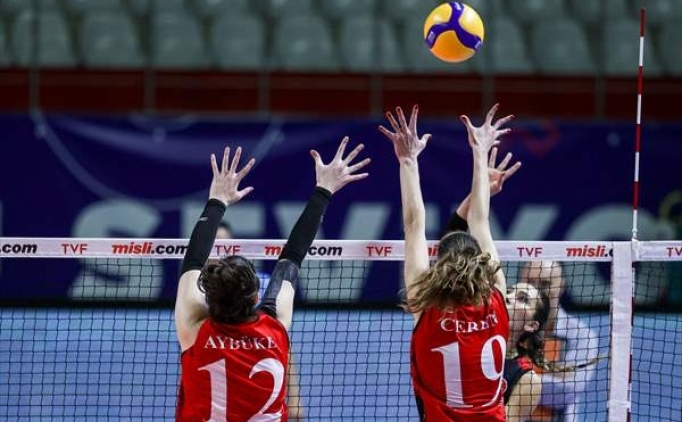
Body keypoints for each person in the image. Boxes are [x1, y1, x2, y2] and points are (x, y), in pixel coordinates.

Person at [175, 140, 370, 421]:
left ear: (209, 296)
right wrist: (324, 190)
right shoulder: (275, 327)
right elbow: (292, 257)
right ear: (256, 297)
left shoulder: (194, 329)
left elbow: (193, 260)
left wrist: (217, 200)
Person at [379, 103, 513, 421]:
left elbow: (414, 224)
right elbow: (480, 220)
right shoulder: (497, 297)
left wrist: (408, 160)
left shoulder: (426, 304)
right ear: (480, 263)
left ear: (439, 266)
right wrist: (480, 150)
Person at [214, 221, 305, 421]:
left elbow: (281, 343)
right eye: (214, 245)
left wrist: (295, 397)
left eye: (224, 244)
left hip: (258, 381)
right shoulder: (196, 292)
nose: (219, 252)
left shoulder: (258, 284)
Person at [519, 261, 600, 422]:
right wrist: (553, 372)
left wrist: (515, 377)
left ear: (561, 285)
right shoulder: (505, 329)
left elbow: (566, 392)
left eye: (545, 283)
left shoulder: (583, 335)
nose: (536, 291)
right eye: (530, 283)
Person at [504, 282, 549, 422]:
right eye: (508, 291)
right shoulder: (459, 341)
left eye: (522, 299)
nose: (507, 297)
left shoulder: (527, 380)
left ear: (531, 325)